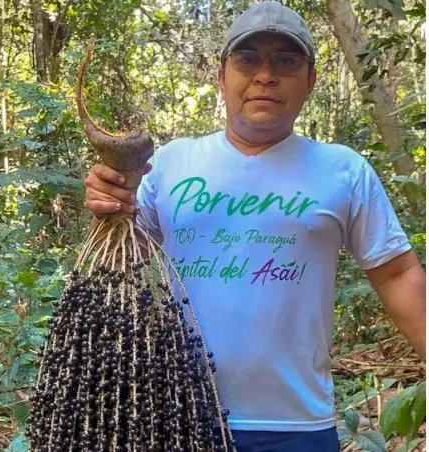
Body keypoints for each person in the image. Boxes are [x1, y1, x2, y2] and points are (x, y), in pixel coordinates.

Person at [84, 2, 426, 451]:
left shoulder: (344, 170)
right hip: (177, 415)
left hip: (298, 426)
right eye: (247, 59)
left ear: (310, 81)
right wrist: (107, 200)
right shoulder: (167, 165)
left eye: (286, 61)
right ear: (221, 77)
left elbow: (398, 274)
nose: (265, 74)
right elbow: (126, 258)